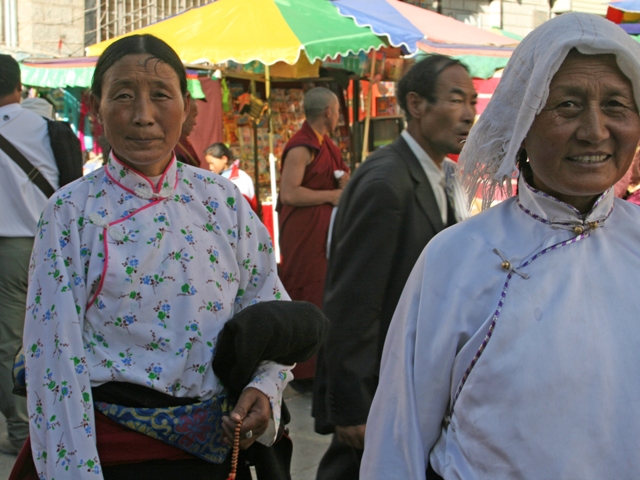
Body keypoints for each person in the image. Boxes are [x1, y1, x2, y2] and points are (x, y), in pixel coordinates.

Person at [361, 12, 640, 479]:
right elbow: (399, 434)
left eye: (616, 105)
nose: (595, 130)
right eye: (568, 106)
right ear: (521, 124)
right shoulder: (457, 257)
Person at [13, 34, 297, 480]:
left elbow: (268, 310)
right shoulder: (71, 212)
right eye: (123, 95)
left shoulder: (222, 201)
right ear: (95, 107)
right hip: (116, 455)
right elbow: (54, 356)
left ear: (187, 108)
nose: (143, 116)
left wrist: (265, 386)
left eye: (160, 95)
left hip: (215, 447)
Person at [312, 55, 476, 479]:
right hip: (379, 390)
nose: (469, 114)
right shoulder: (388, 183)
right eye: (456, 100)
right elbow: (352, 300)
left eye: (472, 101)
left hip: (415, 382)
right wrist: (351, 405)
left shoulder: (440, 176)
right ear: (417, 104)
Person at [0, 55, 81, 456]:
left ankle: (21, 432)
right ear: (18, 86)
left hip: (9, 250)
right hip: (50, 242)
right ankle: (53, 423)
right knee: (57, 335)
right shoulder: (50, 129)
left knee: (10, 341)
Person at [276, 86, 350, 379]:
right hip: (303, 235)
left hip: (324, 235)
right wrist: (330, 196)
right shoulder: (302, 146)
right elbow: (290, 193)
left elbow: (341, 176)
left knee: (323, 292)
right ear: (328, 112)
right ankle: (302, 369)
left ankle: (320, 364)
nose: (339, 117)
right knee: (305, 290)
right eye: (337, 111)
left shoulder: (326, 145)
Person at [204, 142, 258, 212]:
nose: (210, 167)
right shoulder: (211, 179)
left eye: (212, 163)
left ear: (224, 159)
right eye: (208, 164)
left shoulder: (241, 179)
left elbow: (249, 207)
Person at [174, 98, 200, 167]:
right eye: (193, 116)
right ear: (183, 115)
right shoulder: (172, 148)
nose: (195, 122)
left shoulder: (183, 142)